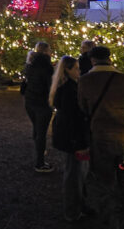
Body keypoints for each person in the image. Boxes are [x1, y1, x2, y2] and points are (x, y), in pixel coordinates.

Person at [78, 46, 124, 228]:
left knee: (104, 180)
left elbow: (82, 107)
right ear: (110, 58)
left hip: (101, 137)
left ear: (92, 60)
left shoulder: (85, 81)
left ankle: (108, 218)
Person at [50, 55, 91, 222]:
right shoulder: (70, 90)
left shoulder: (64, 87)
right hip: (73, 138)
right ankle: (72, 211)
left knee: (77, 172)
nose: (79, 71)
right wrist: (79, 142)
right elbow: (73, 119)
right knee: (74, 175)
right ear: (67, 70)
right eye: (76, 68)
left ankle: (78, 206)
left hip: (69, 136)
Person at [23, 41, 55, 173]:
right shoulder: (46, 66)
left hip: (30, 101)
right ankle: (40, 163)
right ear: (46, 51)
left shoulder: (30, 63)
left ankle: (39, 151)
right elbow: (49, 85)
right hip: (42, 102)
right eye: (50, 50)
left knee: (37, 128)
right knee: (42, 132)